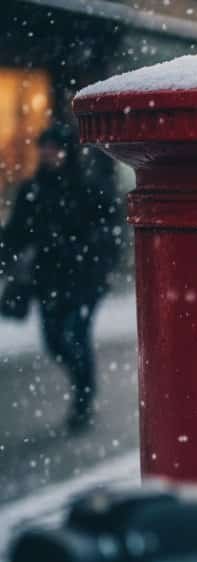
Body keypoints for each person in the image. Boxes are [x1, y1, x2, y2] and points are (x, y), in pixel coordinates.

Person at [0, 124, 123, 432]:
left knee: (75, 336)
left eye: (53, 147)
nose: (47, 153)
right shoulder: (32, 189)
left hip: (85, 281)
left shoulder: (89, 187)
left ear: (66, 151)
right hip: (49, 280)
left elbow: (110, 233)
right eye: (43, 147)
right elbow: (15, 234)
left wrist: (96, 261)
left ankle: (83, 398)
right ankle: (82, 384)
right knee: (54, 341)